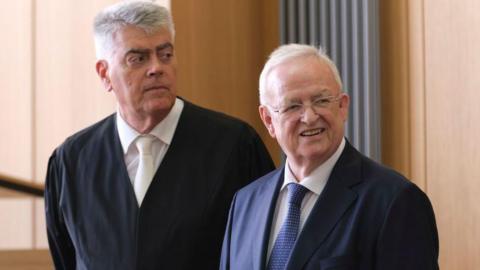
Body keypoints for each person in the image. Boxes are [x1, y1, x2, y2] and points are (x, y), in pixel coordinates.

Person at [44, 1, 274, 269]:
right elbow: (67, 260)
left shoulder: (235, 146)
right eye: (138, 58)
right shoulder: (72, 162)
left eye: (165, 54)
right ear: (105, 74)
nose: (157, 68)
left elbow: (264, 250)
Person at [220, 44, 439, 270]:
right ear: (268, 120)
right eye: (293, 106)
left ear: (343, 106)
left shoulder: (393, 201)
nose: (310, 116)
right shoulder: (245, 203)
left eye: (321, 101)